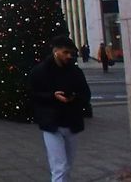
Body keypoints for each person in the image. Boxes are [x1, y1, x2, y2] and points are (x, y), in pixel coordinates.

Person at [29, 35, 91, 182]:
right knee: (60, 165)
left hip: (71, 121)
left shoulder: (75, 72)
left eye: (71, 53)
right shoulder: (40, 71)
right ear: (56, 51)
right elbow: (32, 94)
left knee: (67, 165)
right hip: (52, 122)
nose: (69, 56)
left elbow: (86, 94)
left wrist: (74, 98)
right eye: (65, 52)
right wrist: (52, 96)